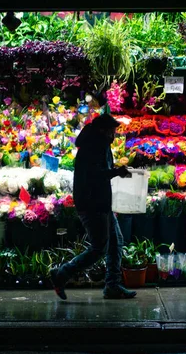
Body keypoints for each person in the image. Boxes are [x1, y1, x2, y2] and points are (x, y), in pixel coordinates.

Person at [50, 112, 136, 300]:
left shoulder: (99, 143)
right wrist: (115, 172)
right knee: (99, 247)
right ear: (103, 130)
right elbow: (95, 174)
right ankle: (62, 274)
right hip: (92, 203)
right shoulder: (93, 146)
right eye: (112, 131)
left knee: (116, 241)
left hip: (100, 202)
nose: (114, 135)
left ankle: (112, 285)